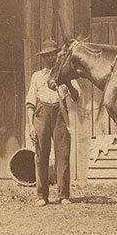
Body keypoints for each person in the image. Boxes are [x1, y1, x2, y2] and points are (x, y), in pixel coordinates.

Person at [26, 40, 80, 206]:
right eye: (45, 56)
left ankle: (63, 195)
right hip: (41, 114)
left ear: (57, 55)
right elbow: (30, 103)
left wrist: (67, 82)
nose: (49, 59)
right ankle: (42, 196)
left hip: (60, 113)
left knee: (63, 154)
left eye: (51, 55)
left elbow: (76, 96)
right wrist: (31, 125)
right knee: (41, 155)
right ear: (42, 58)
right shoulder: (37, 76)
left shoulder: (65, 73)